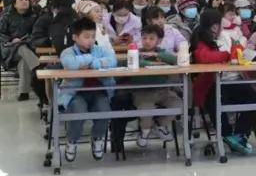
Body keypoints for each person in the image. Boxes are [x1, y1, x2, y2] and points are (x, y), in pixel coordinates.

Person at [190, 9, 256, 156]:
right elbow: (204, 57)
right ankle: (226, 135)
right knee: (215, 99)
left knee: (252, 96)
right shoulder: (200, 39)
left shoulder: (226, 36)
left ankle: (240, 134)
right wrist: (226, 55)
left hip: (229, 81)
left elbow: (235, 52)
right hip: (208, 86)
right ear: (215, 26)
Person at [58, 17, 117, 162]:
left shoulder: (100, 50)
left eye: (92, 36)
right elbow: (70, 64)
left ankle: (97, 138)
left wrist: (90, 64)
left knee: (104, 111)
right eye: (86, 36)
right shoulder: (68, 52)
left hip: (99, 91)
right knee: (79, 112)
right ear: (75, 37)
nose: (90, 40)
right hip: (75, 93)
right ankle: (72, 140)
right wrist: (92, 59)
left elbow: (112, 61)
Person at [130, 24, 180, 148]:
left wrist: (157, 56)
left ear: (159, 41)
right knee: (146, 109)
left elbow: (175, 60)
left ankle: (160, 125)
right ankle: (145, 132)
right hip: (143, 92)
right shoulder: (136, 52)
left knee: (177, 104)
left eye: (151, 38)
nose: (147, 41)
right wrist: (152, 63)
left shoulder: (162, 53)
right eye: (144, 38)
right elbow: (136, 62)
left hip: (163, 91)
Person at [1, 0, 40, 101]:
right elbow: (1, 34)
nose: (24, 2)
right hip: (9, 48)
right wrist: (12, 39)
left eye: (26, 0)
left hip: (28, 47)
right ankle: (37, 67)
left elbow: (36, 33)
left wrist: (25, 40)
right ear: (14, 4)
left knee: (23, 62)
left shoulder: (34, 16)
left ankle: (24, 92)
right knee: (21, 47)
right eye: (21, 0)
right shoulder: (6, 17)